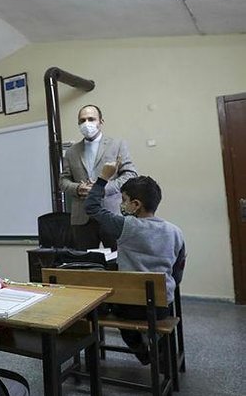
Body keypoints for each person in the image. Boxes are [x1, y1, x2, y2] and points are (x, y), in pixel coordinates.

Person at [85, 158, 186, 364]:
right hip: (161, 307)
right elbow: (178, 272)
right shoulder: (176, 232)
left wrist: (103, 178)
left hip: (129, 308)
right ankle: (159, 350)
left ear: (136, 205)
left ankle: (143, 353)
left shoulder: (126, 226)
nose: (122, 205)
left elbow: (92, 206)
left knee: (108, 307)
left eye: (124, 200)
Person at [60, 104, 138, 250]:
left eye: (91, 119)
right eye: (82, 120)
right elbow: (63, 180)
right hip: (82, 217)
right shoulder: (71, 151)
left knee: (117, 263)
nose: (86, 124)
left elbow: (131, 174)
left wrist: (103, 188)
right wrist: (77, 188)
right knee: (86, 265)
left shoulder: (117, 145)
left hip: (110, 213)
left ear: (101, 121)